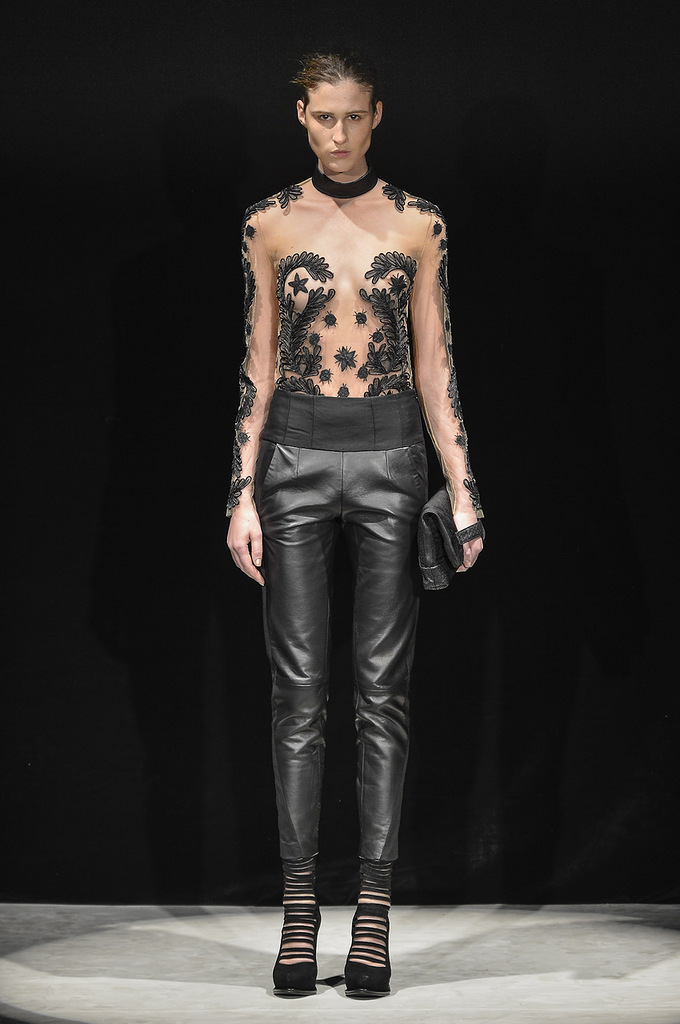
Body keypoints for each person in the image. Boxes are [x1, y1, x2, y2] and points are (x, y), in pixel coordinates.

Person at [226, 51, 484, 998]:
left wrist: (463, 488)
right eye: (322, 117)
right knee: (297, 695)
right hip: (293, 458)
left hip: (390, 459)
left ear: (378, 116)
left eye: (353, 117)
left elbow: (435, 360)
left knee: (384, 694)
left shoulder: (419, 223)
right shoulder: (267, 222)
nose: (338, 134)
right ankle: (299, 912)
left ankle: (371, 914)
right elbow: (257, 359)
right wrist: (240, 492)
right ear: (300, 115)